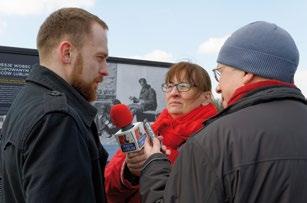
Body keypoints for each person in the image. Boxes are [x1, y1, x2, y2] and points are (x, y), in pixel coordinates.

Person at [140, 21, 307, 202]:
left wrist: (155, 165)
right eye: (170, 86)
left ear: (246, 72)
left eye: (221, 72)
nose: (218, 88)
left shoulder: (211, 142)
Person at [0, 8, 109, 202]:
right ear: (67, 53)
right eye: (100, 58)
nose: (105, 70)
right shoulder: (58, 120)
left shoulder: (26, 101)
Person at [105, 62, 218, 202]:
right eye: (169, 86)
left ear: (206, 97)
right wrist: (130, 171)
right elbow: (109, 184)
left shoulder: (214, 137)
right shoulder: (150, 130)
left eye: (183, 86)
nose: (174, 93)